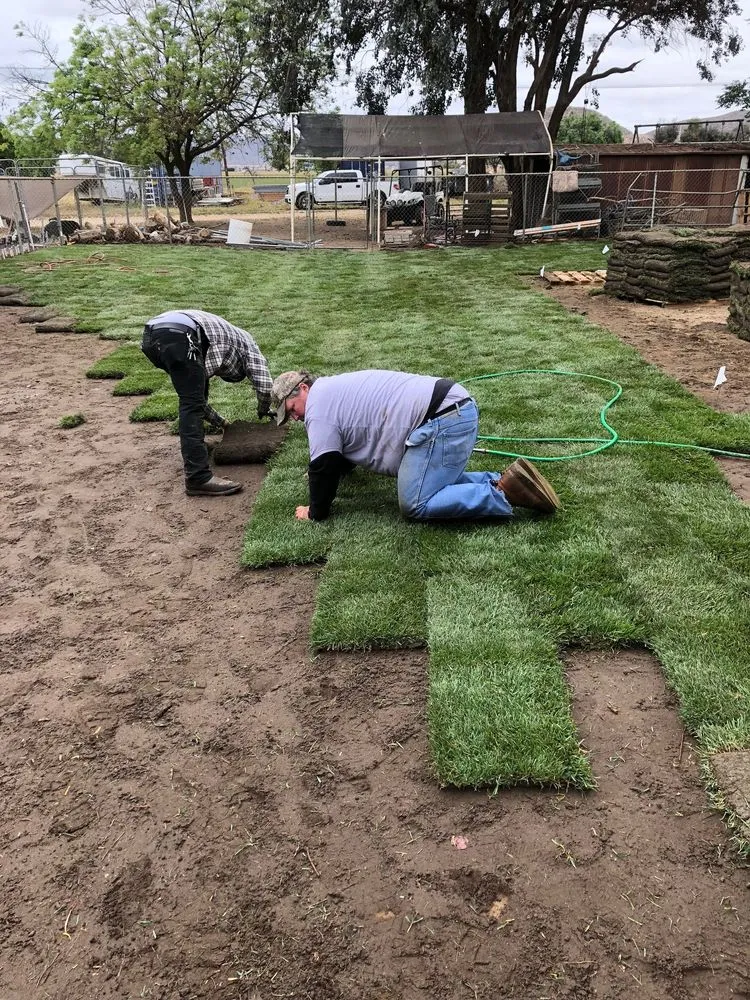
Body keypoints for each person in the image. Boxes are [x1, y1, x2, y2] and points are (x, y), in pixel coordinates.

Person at [270, 369, 561, 522]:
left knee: (416, 503)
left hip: (442, 420)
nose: (294, 417)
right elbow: (340, 452)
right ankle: (503, 481)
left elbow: (322, 466)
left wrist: (315, 511)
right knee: (427, 483)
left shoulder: (319, 408)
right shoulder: (332, 391)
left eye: (291, 408)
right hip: (452, 409)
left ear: (304, 389)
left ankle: (503, 496)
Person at [141, 309, 273, 497]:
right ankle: (198, 477)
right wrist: (264, 410)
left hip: (153, 335)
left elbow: (198, 398)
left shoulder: (210, 345)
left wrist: (222, 423)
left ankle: (197, 450)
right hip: (180, 334)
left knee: (191, 397)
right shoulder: (248, 344)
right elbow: (266, 386)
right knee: (191, 404)